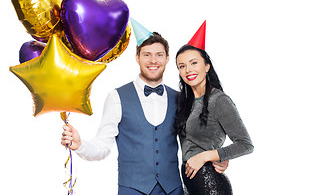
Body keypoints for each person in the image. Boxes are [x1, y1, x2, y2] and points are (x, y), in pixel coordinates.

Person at [60, 19, 229, 195]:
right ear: (137, 58)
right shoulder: (117, 97)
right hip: (132, 190)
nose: (153, 60)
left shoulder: (181, 99)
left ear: (167, 59)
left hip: (173, 190)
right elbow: (102, 146)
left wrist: (217, 158)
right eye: (147, 54)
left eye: (159, 55)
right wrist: (80, 145)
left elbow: (195, 142)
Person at [173, 21, 254, 195]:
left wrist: (208, 156)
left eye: (194, 63)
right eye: (182, 66)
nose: (188, 69)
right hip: (191, 185)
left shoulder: (219, 100)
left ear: (207, 66)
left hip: (211, 184)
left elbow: (245, 144)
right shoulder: (183, 101)